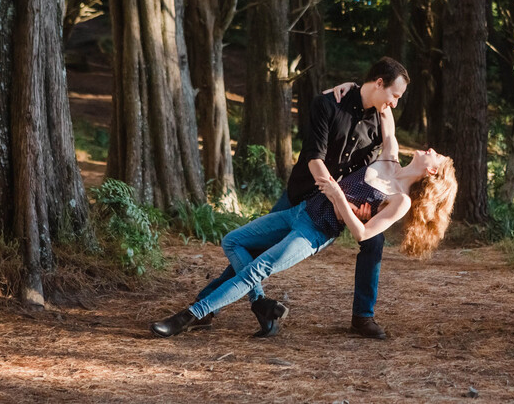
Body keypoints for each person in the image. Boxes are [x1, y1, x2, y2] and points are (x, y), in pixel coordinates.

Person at [149, 105, 457, 338]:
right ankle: (261, 305)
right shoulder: (389, 158)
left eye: (436, 156)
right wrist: (373, 93)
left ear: (432, 172)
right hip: (300, 211)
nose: (431, 149)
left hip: (315, 232)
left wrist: (339, 198)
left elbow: (363, 234)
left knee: (258, 267)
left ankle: (187, 317)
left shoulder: (400, 200)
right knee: (233, 240)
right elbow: (386, 109)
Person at [183, 57, 410, 339]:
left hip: (341, 205)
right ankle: (207, 307)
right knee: (251, 249)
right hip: (304, 191)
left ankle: (363, 317)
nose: (395, 104)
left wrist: (361, 208)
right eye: (394, 95)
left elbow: (373, 172)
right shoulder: (328, 103)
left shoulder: (381, 121)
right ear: (378, 83)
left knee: (373, 242)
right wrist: (337, 194)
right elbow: (315, 157)